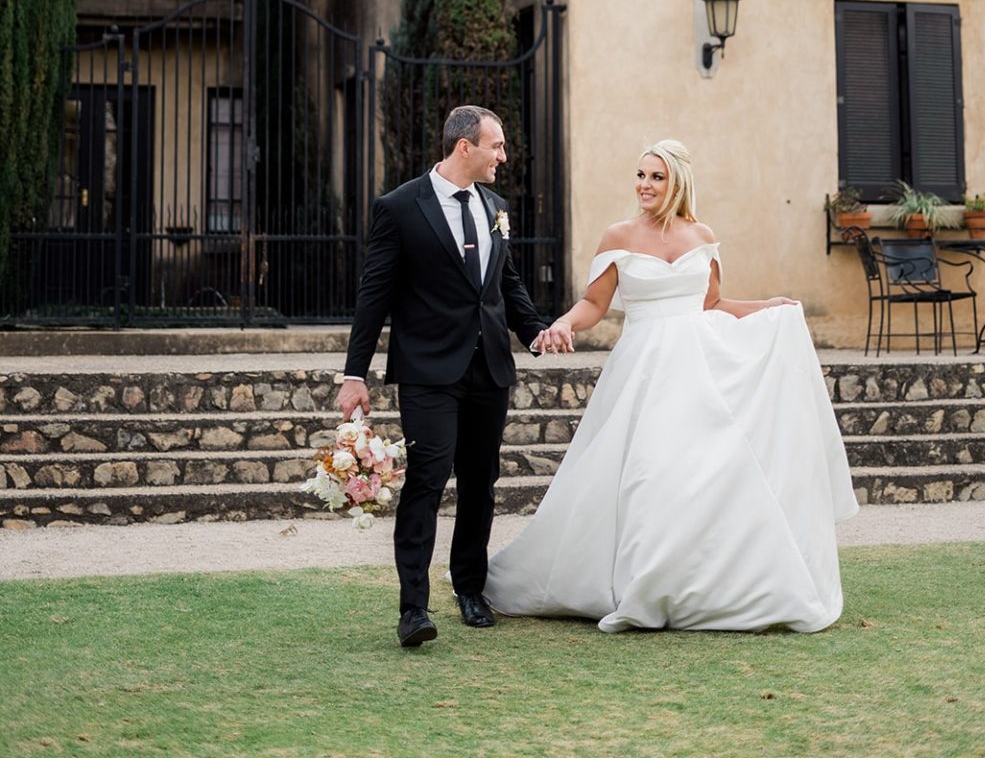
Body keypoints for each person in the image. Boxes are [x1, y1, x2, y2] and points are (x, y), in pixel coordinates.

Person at [487, 139, 859, 633]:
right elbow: (594, 305)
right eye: (640, 176)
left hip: (699, 370)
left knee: (695, 477)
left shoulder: (702, 235)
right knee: (643, 474)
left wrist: (766, 305)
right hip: (642, 370)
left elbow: (713, 303)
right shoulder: (618, 235)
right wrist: (562, 325)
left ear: (677, 182)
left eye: (656, 177)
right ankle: (639, 583)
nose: (645, 185)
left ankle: (698, 585)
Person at [337, 104, 572, 649]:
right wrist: (355, 374)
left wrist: (536, 331)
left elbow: (505, 286)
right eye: (498, 145)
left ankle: (469, 589)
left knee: (481, 483)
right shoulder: (399, 208)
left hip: (489, 368)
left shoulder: (495, 206)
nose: (504, 156)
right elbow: (375, 295)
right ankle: (413, 608)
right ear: (465, 147)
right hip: (428, 371)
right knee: (426, 479)